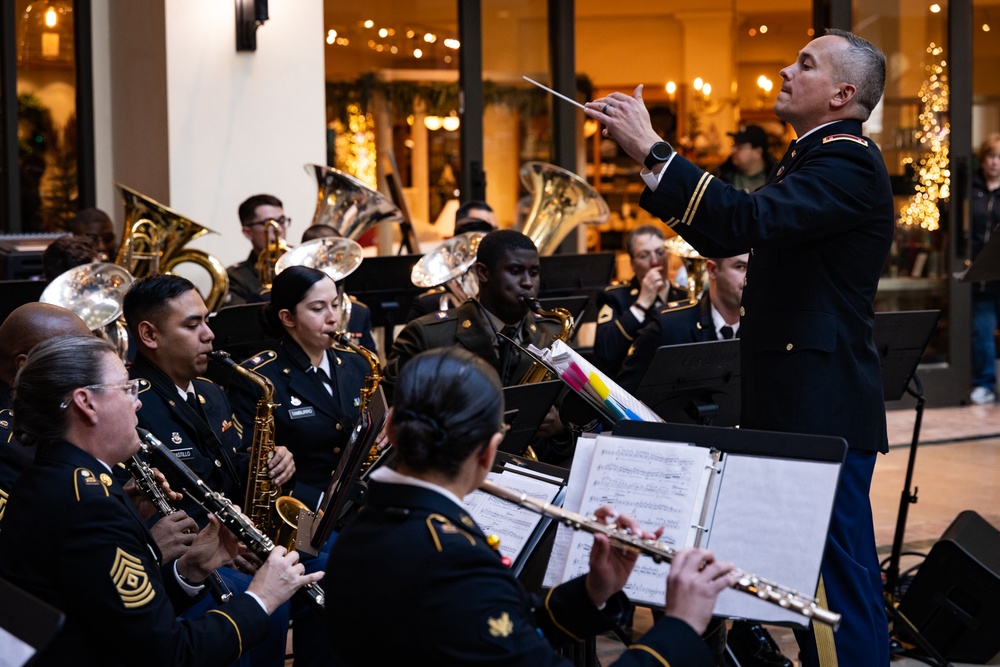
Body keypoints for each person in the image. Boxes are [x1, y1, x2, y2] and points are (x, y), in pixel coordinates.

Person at [587, 29, 894, 667]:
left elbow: (744, 225)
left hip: (820, 405)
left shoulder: (846, 159)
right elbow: (733, 226)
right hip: (799, 398)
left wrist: (656, 151)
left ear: (842, 93)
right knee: (805, 582)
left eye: (804, 64)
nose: (785, 70)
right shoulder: (813, 156)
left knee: (836, 589)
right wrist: (654, 162)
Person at [324, 347, 735, 665]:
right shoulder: (452, 559)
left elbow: (496, 638)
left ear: (390, 430)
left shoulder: (359, 528)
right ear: (489, 451)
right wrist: (681, 626)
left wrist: (594, 590)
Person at [0, 335, 322, 667]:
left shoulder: (52, 479)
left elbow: (118, 616)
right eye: (126, 389)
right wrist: (262, 598)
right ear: (86, 403)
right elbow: (169, 654)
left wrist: (190, 570)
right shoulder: (88, 505)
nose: (137, 402)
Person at [386, 229, 571, 463]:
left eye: (534, 273)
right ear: (483, 273)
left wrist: (560, 430)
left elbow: (577, 427)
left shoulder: (552, 335)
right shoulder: (426, 335)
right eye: (515, 271)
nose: (527, 282)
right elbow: (392, 423)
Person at [229, 266, 369, 511]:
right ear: (288, 318)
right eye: (318, 308)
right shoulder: (258, 378)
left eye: (335, 305)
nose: (333, 318)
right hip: (300, 510)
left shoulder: (357, 363)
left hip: (360, 503)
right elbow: (245, 459)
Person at [0, 303, 93, 514]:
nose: (93, 365)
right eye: (78, 354)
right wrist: (145, 543)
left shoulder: (44, 406)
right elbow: (28, 538)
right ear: (25, 366)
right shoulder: (7, 444)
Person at [617, 254, 747, 394]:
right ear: (712, 270)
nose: (748, 277)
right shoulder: (668, 325)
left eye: (752, 268)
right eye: (740, 267)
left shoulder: (765, 329)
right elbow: (625, 395)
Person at [592, 224, 687, 375]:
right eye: (644, 255)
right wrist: (641, 304)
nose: (655, 262)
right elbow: (605, 352)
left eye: (660, 252)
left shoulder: (685, 296)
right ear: (632, 264)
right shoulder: (614, 296)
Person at [405, 199, 499, 322]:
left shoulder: (502, 295)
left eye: (494, 230)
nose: (488, 236)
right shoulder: (428, 304)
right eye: (477, 227)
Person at [969, 132, 1000, 405]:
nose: (995, 162)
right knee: (982, 330)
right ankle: (984, 383)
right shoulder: (972, 189)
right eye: (991, 156)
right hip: (979, 276)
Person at [226, 194, 291, 306]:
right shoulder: (235, 277)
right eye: (267, 223)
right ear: (248, 233)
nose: (279, 229)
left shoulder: (301, 260)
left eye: (281, 221)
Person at [711, 124, 778, 193]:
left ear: (758, 152)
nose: (733, 150)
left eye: (740, 147)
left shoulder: (778, 178)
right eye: (733, 144)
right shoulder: (720, 174)